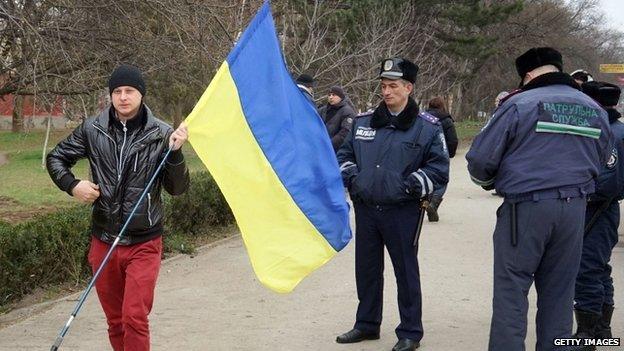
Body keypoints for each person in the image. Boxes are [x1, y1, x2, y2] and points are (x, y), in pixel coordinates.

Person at [466, 47, 612, 351]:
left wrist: (490, 181)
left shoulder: (518, 103)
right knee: (560, 293)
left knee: (511, 292)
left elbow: (480, 161)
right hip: (575, 210)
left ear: (528, 75)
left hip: (526, 209)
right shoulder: (594, 108)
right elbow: (602, 162)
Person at [46, 64, 190, 351]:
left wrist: (175, 153)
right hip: (104, 240)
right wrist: (73, 185)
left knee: (134, 316)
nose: (123, 97)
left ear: (141, 95)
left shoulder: (162, 133)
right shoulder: (93, 129)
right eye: (117, 91)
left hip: (144, 242)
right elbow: (56, 158)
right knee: (115, 320)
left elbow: (178, 189)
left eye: (130, 91)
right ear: (111, 95)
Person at [335, 57, 449, 351]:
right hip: (367, 209)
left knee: (405, 272)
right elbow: (344, 156)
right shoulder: (363, 122)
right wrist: (354, 180)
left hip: (403, 211)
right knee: (367, 270)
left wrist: (407, 186)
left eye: (393, 86)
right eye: (383, 86)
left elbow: (438, 169)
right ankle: (367, 324)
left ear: (408, 87)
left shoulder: (427, 128)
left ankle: (410, 331)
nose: (386, 92)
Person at [573, 81, 624, 347]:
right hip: (603, 209)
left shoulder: (608, 132)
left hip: (597, 209)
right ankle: (602, 328)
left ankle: (587, 333)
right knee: (599, 269)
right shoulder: (616, 129)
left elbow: (608, 182)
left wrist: (578, 193)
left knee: (587, 269)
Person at [423, 96, 458, 221]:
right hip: (441, 153)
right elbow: (452, 139)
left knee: (425, 176)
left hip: (424, 153)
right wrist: (450, 153)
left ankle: (426, 201)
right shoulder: (446, 120)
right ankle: (434, 203)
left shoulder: (422, 118)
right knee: (442, 179)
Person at [318, 85, 356, 152]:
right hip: (321, 147)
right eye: (329, 95)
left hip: (337, 150)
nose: (331, 97)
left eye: (334, 95)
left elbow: (345, 133)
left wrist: (328, 144)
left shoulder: (347, 112)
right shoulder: (322, 110)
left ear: (340, 97)